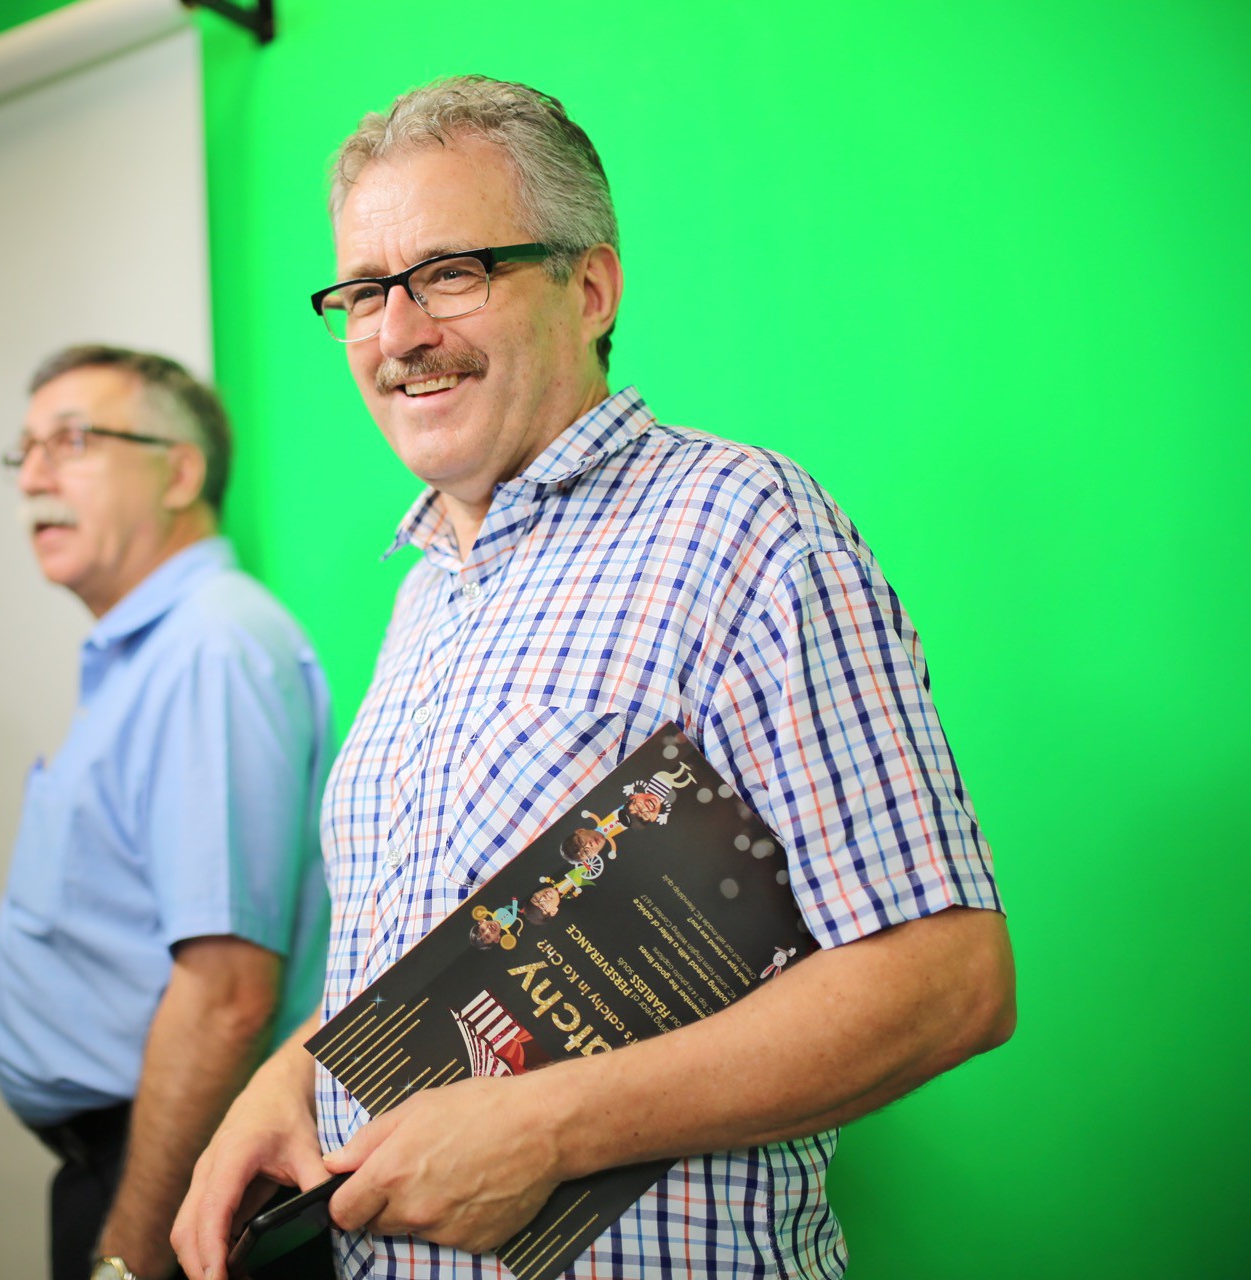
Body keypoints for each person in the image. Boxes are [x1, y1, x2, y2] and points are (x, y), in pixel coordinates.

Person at [174, 76, 1016, 1279]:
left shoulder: (744, 530)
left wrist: (551, 1126)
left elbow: (949, 976)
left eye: (450, 272)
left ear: (590, 288)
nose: (397, 333)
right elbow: (452, 946)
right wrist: (292, 1076)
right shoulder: (427, 591)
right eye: (363, 291)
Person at [0, 345, 331, 1280]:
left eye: (72, 442)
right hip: (131, 1160)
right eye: (24, 452)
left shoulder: (210, 648)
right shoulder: (152, 652)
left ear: (181, 473)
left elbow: (225, 999)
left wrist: (127, 1262)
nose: (35, 478)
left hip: (172, 1181)